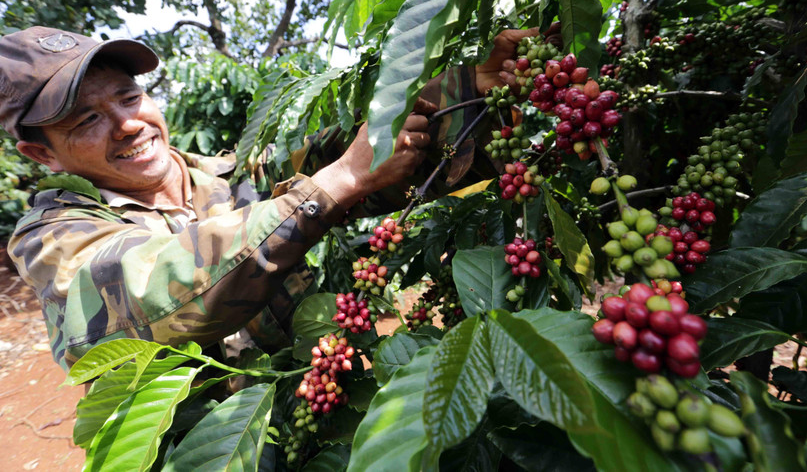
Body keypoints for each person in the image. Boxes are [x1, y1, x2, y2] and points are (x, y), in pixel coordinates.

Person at [0, 24, 558, 372]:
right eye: (87, 120)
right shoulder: (53, 237)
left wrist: (465, 89)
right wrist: (342, 180)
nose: (128, 124)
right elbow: (140, 290)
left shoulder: (229, 177)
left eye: (129, 98)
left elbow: (342, 154)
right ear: (42, 154)